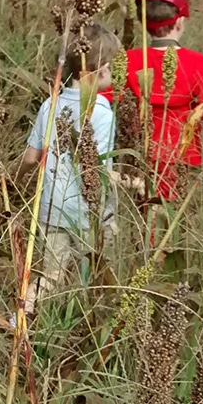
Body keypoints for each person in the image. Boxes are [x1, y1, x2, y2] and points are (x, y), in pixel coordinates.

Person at [16, 23, 122, 316]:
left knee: (51, 274)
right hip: (91, 213)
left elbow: (30, 157)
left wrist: (13, 181)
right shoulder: (100, 111)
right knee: (103, 274)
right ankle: (89, 323)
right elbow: (95, 167)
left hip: (52, 207)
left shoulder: (49, 104)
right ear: (99, 69)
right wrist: (132, 182)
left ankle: (19, 319)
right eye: (111, 66)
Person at [124, 0, 203, 205]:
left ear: (143, 23)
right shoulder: (196, 63)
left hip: (138, 153)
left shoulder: (129, 60)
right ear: (180, 21)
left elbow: (108, 101)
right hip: (181, 157)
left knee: (140, 218)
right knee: (171, 218)